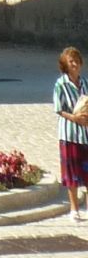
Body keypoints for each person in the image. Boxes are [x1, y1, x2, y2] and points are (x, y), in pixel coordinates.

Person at [54, 46, 88, 219]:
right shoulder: (60, 84)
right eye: (71, 62)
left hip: (86, 133)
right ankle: (74, 209)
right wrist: (74, 118)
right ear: (65, 65)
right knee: (72, 172)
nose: (74, 64)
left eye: (76, 61)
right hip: (69, 134)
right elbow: (58, 109)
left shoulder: (85, 83)